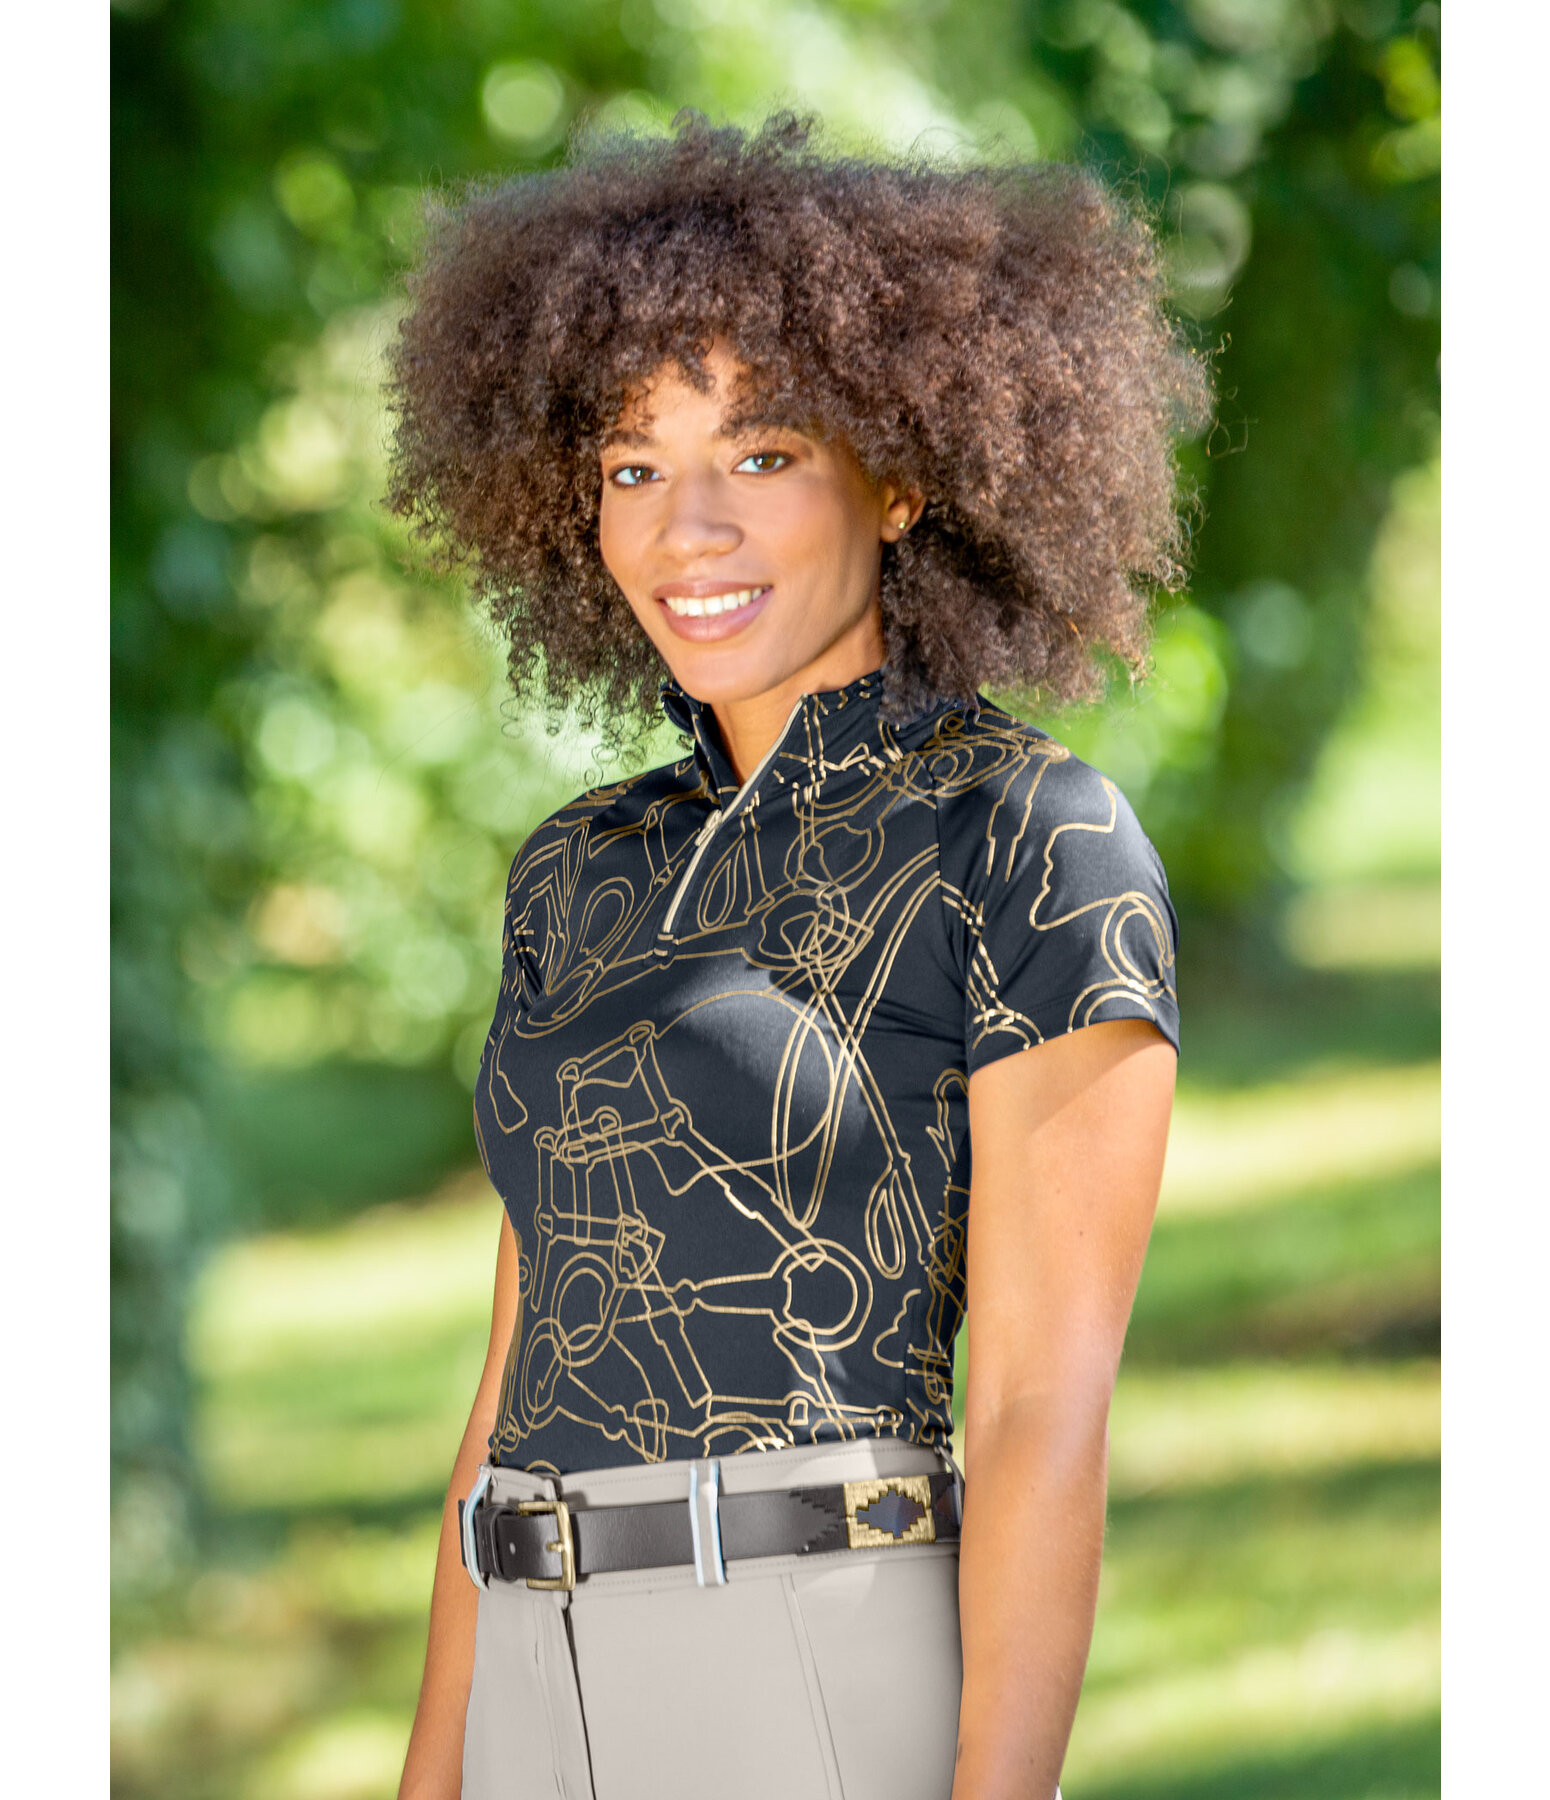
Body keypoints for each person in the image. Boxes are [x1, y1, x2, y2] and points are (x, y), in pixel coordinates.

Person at [385, 112, 1208, 1800]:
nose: (685, 528)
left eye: (758, 456)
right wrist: (437, 1765)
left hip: (806, 1660)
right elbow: (518, 1373)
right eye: (632, 466)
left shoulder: (1024, 838)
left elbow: (1040, 1409)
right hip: (533, 1658)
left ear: (898, 477)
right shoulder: (577, 870)